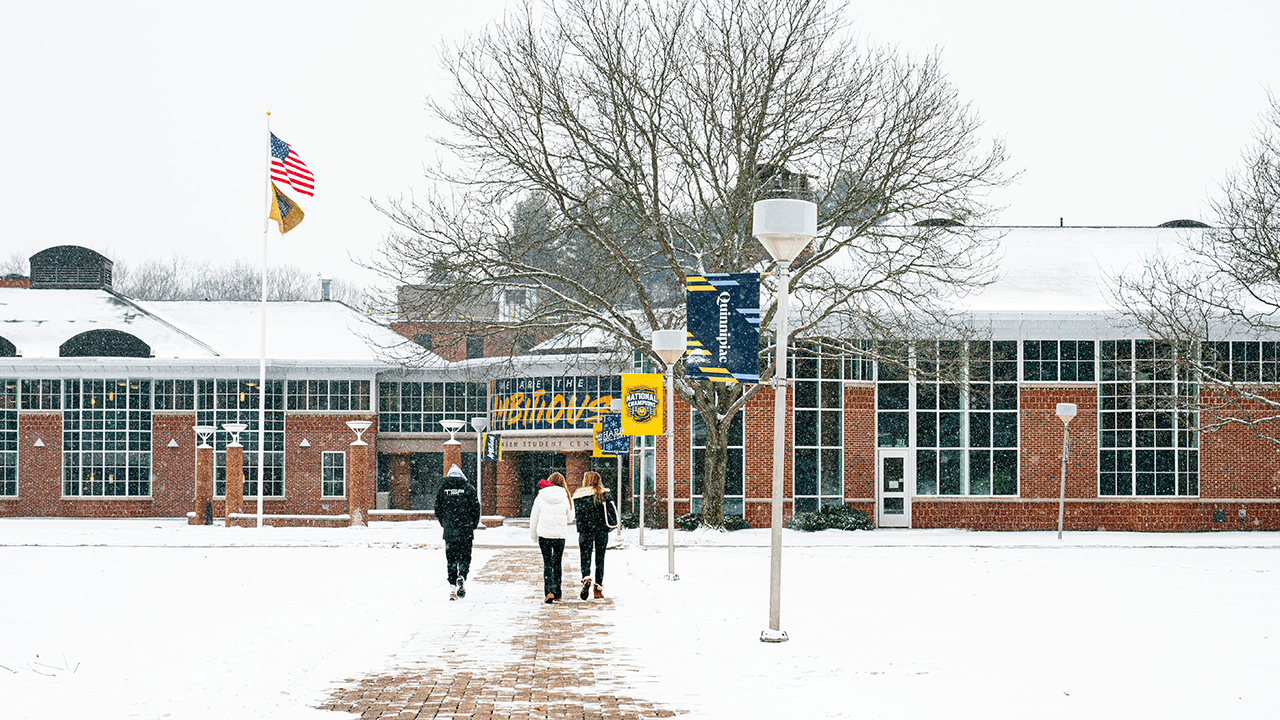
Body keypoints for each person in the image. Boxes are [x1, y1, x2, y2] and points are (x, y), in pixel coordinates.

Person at [435, 463, 480, 601]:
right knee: (465, 556)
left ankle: (452, 588)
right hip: (465, 530)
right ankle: (462, 574)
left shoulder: (443, 490)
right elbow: (476, 509)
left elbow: (437, 509)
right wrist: (472, 525)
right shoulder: (469, 489)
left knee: (451, 559)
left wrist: (445, 523)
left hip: (450, 532)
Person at [528, 471, 574, 604]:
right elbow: (570, 518)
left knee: (547, 563)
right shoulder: (566, 496)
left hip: (544, 535)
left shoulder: (541, 496)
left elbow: (534, 517)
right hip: (559, 535)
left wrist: (533, 535)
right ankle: (558, 592)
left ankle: (549, 591)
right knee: (557, 562)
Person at [572, 471, 617, 600]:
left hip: (585, 531)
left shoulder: (579, 495)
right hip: (601, 530)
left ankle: (586, 577)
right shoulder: (604, 494)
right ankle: (598, 589)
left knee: (585, 556)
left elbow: (576, 514)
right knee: (600, 558)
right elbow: (612, 512)